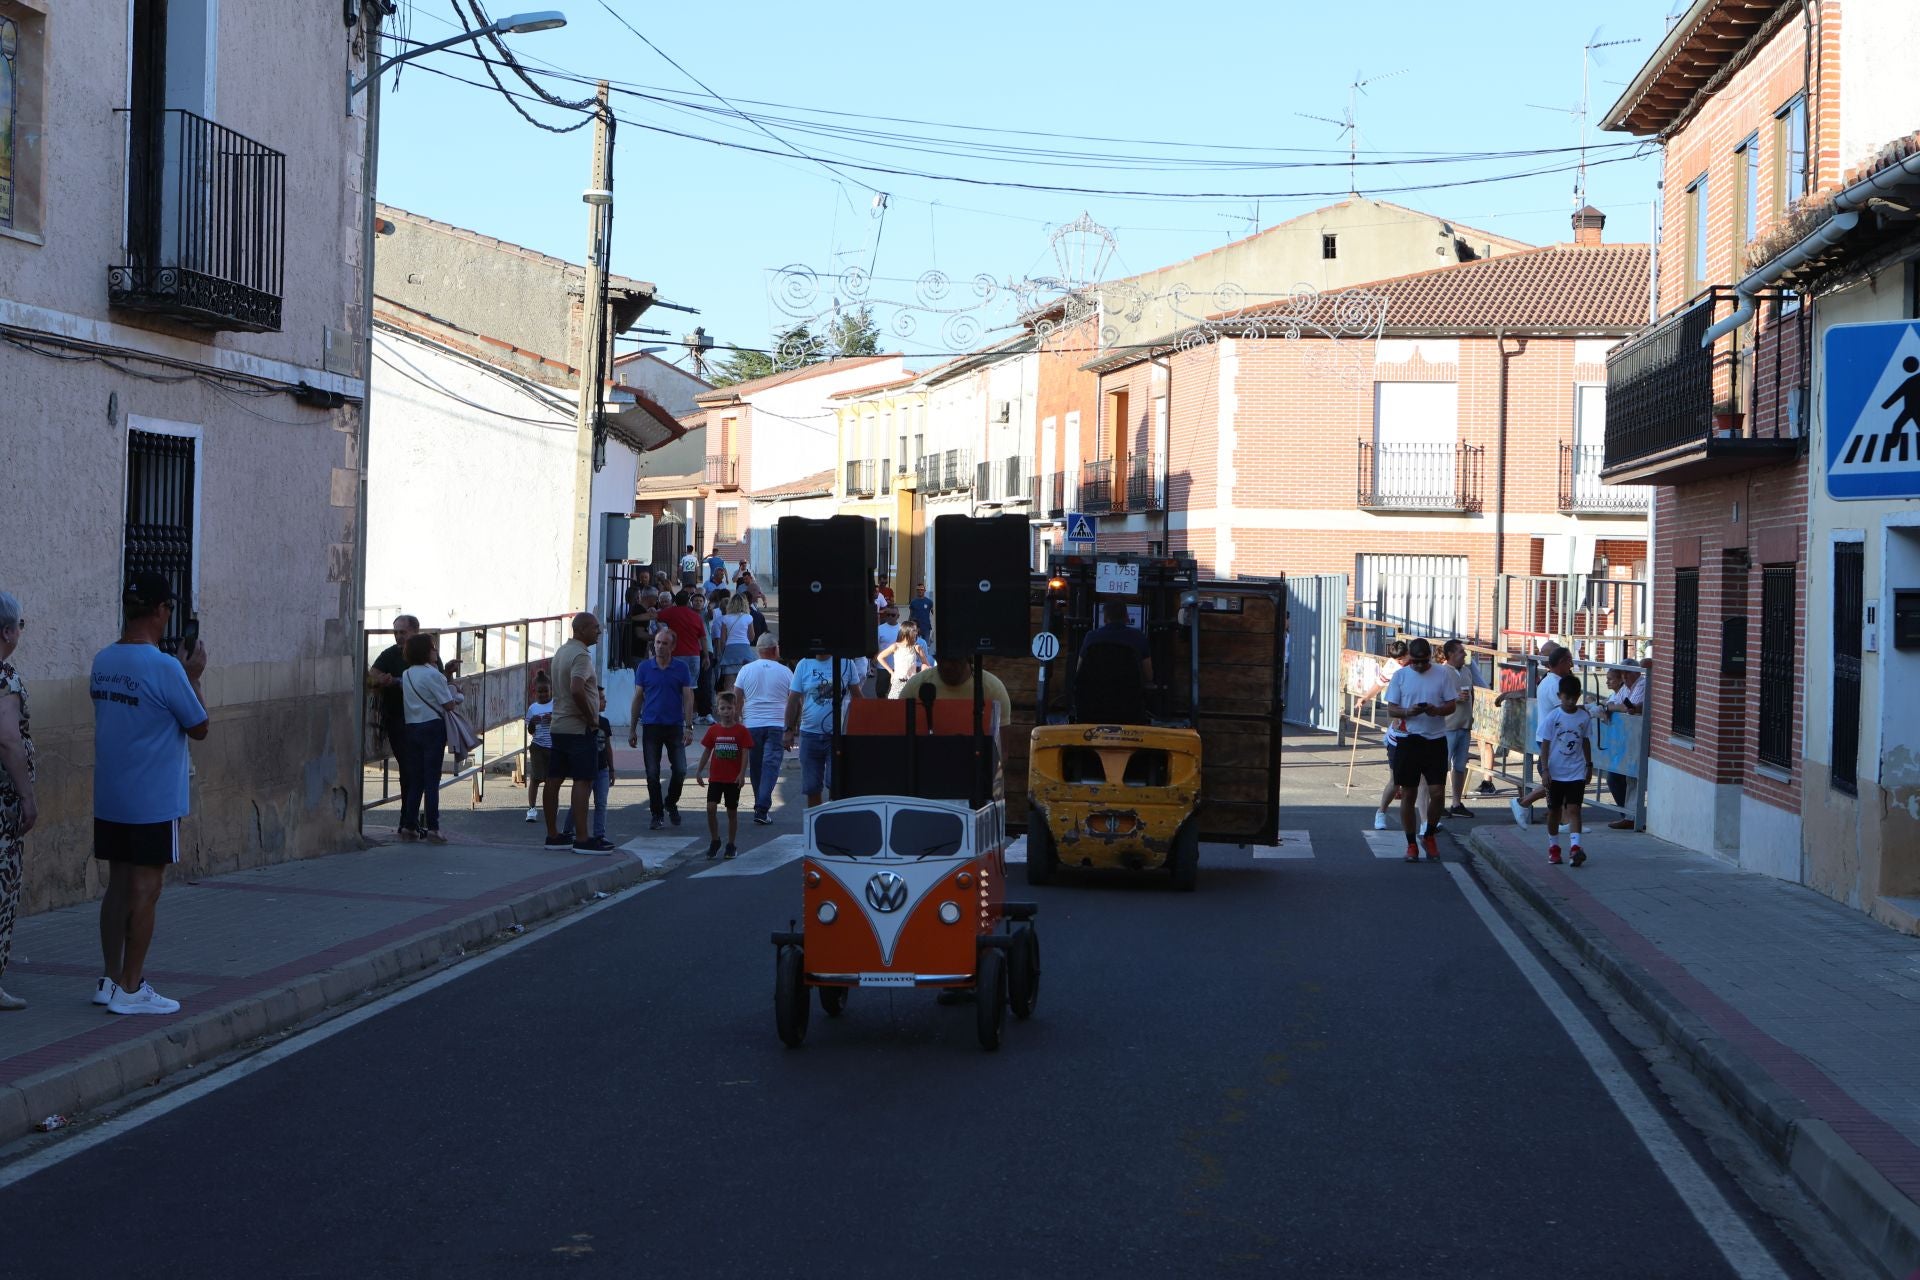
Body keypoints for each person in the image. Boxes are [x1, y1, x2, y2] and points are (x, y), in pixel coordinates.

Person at [91, 572, 209, 1016]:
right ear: (162, 611)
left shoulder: (103, 659)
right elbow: (199, 726)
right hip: (153, 798)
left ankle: (109, 978)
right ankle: (132, 986)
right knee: (147, 889)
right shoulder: (166, 668)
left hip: (112, 795)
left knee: (117, 886)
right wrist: (192, 674)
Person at [1382, 637, 1457, 863]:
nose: (1419, 666)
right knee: (1408, 793)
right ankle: (1411, 843)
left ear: (1430, 658)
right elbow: (1392, 709)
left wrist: (1437, 710)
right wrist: (1408, 712)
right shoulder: (1400, 676)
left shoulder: (1442, 674)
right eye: (1414, 662)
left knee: (1437, 793)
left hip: (1435, 739)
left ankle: (1429, 834)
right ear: (1409, 659)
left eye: (1423, 662)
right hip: (1408, 739)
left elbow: (1452, 704)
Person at [545, 612, 612, 852]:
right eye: (595, 628)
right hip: (578, 727)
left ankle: (553, 835)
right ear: (581, 629)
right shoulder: (582, 655)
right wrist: (590, 716)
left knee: (554, 780)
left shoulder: (562, 651)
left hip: (559, 726)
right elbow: (576, 688)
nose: (598, 632)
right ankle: (582, 838)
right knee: (583, 779)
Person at [0, 592, 36, 1011]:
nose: (21, 632)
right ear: (7, 631)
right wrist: (27, 797)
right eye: (21, 625)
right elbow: (8, 739)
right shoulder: (4, 679)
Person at [395, 634, 460, 844]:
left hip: (411, 727)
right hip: (433, 727)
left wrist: (445, 676)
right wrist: (457, 694)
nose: (436, 651)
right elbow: (448, 704)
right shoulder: (434, 675)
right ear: (425, 651)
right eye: (433, 648)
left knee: (416, 780)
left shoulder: (407, 674)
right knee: (432, 780)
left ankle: (409, 826)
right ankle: (433, 828)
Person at [628, 627, 695, 830]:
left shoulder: (681, 668)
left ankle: (671, 802)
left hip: (674, 725)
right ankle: (656, 813)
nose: (660, 647)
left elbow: (688, 697)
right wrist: (632, 729)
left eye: (665, 643)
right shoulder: (645, 668)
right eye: (657, 642)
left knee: (681, 770)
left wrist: (689, 726)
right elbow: (638, 697)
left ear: (672, 646)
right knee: (652, 773)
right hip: (651, 726)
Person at [1502, 643, 1574, 826]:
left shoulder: (1553, 681)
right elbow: (1565, 711)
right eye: (1569, 661)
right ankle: (1523, 802)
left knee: (1563, 779)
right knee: (1556, 780)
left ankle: (1565, 821)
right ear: (1561, 662)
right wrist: (1588, 711)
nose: (1572, 665)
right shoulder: (1553, 685)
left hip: (1555, 738)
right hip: (1553, 739)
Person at [785, 651, 866, 807]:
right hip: (809, 735)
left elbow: (858, 698)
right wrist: (788, 730)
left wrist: (863, 728)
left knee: (835, 785)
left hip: (837, 736)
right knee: (811, 787)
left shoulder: (847, 663)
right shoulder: (804, 664)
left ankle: (834, 824)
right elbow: (793, 700)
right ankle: (815, 826)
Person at [366, 613, 422, 832]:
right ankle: (408, 820)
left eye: (403, 632)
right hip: (399, 719)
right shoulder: (390, 655)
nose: (398, 636)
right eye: (396, 632)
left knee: (418, 770)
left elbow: (439, 680)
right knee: (409, 769)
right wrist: (381, 680)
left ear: (415, 632)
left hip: (424, 720)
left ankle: (411, 819)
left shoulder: (426, 653)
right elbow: (371, 677)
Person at [734, 634, 792, 825]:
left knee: (757, 767)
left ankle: (761, 804)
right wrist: (792, 728)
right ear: (775, 649)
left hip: (752, 724)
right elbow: (794, 701)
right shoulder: (786, 672)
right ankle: (761, 806)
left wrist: (736, 722)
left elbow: (737, 698)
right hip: (776, 722)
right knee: (771, 765)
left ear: (758, 650)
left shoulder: (745, 670)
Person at [1537, 676, 1595, 866]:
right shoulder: (1553, 717)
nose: (1571, 702)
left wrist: (1589, 765)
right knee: (1554, 811)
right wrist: (1545, 769)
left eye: (1574, 698)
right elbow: (1545, 745)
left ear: (1579, 696)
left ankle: (1575, 848)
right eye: (1567, 697)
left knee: (1574, 809)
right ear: (1559, 696)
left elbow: (1585, 741)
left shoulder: (1584, 717)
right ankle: (1554, 847)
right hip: (1555, 771)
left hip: (1576, 770)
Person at [697, 691, 753, 859]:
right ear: (717, 710)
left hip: (732, 778)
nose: (727, 711)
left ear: (735, 709)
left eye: (730, 708)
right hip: (716, 777)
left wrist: (742, 774)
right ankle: (715, 840)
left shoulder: (741, 731)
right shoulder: (714, 730)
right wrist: (699, 771)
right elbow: (707, 751)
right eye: (723, 708)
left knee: (732, 812)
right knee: (710, 808)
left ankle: (731, 844)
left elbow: (745, 753)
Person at [559, 692, 616, 852]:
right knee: (579, 802)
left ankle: (599, 835)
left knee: (601, 803)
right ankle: (568, 831)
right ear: (592, 701)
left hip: (602, 769)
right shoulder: (581, 723)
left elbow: (608, 747)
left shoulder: (604, 722)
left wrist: (611, 768)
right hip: (586, 769)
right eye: (601, 698)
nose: (605, 701)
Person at [1440, 639, 1490, 817]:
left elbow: (1474, 694)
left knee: (1460, 766)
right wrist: (1455, 699)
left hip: (1464, 725)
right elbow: (1436, 698)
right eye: (1461, 652)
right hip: (1447, 725)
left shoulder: (1467, 671)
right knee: (1441, 766)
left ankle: (1456, 802)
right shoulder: (1442, 672)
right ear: (1451, 654)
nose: (1465, 655)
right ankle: (1437, 802)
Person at [1371, 641, 1412, 832]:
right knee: (1396, 780)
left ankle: (1426, 822)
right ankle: (1381, 812)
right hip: (1399, 735)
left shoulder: (1425, 674)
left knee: (1420, 782)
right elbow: (1389, 704)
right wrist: (1365, 697)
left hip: (1420, 736)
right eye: (1401, 660)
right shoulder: (1395, 673)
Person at [1599, 662, 1645, 830]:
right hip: (1626, 740)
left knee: (1628, 778)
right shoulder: (1626, 688)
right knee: (1616, 777)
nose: (1625, 677)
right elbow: (1614, 704)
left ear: (1636, 673)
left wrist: (1613, 707)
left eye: (1627, 674)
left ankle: (1631, 816)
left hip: (1638, 739)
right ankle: (1628, 815)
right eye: (1623, 674)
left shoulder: (1642, 684)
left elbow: (1631, 708)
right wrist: (1611, 707)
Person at [1081, 599, 1151, 687]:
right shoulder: (1139, 636)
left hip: (1097, 694)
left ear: (1105, 618)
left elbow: (1079, 670)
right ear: (1126, 617)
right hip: (1130, 694)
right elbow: (1149, 675)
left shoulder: (1091, 636)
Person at [524, 670, 554, 823]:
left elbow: (561, 724)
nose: (543, 694)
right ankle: (531, 808)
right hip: (537, 746)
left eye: (546, 691)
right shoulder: (532, 708)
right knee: (535, 778)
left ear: (550, 691)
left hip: (553, 747)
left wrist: (553, 719)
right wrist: (532, 723)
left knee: (550, 779)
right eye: (540, 692)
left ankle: (549, 807)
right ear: (535, 692)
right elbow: (530, 731)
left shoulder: (555, 705)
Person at [714, 594, 756, 695]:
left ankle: (730, 706)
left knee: (729, 684)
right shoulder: (748, 617)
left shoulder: (725, 618)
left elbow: (723, 640)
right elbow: (751, 637)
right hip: (745, 650)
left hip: (730, 651)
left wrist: (723, 653)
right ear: (744, 604)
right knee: (746, 682)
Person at [878, 620, 930, 698]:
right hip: (898, 681)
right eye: (914, 631)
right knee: (895, 705)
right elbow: (880, 657)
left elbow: (926, 664)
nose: (916, 633)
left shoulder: (916, 647)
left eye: (916, 630)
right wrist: (891, 672)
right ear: (906, 632)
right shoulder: (895, 646)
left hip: (912, 682)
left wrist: (922, 671)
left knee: (911, 706)